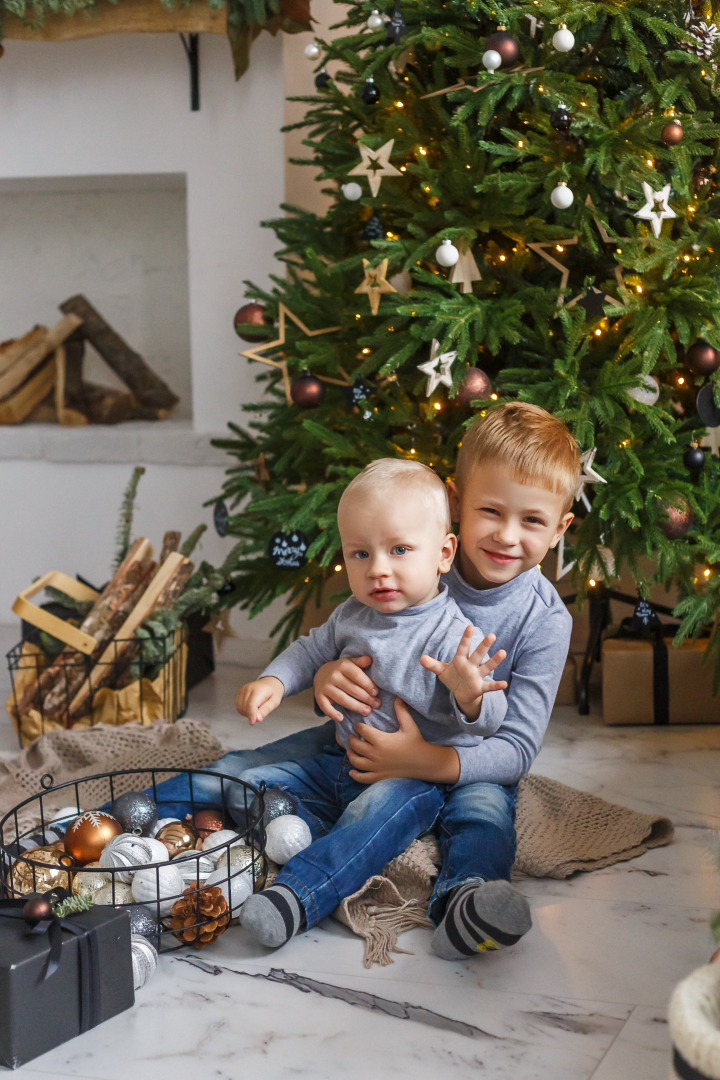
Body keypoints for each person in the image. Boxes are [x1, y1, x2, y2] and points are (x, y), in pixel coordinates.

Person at [148, 402, 579, 961]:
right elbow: (338, 639)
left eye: (533, 521)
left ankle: (466, 902)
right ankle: (113, 819)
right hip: (360, 741)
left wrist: (429, 760)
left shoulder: (544, 620)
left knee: (483, 818)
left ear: (561, 527)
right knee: (244, 767)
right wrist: (319, 675)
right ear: (456, 504)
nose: (505, 535)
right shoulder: (401, 561)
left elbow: (516, 746)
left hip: (465, 760)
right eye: (490, 511)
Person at [233, 458, 508, 948]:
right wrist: (274, 680)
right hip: (344, 758)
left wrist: (469, 697)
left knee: (373, 817)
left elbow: (489, 722)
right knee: (242, 778)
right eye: (360, 553)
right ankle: (118, 815)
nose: (378, 568)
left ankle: (296, 896)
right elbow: (310, 650)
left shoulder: (454, 635)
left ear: (444, 553)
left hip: (413, 779)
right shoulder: (351, 615)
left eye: (400, 550)